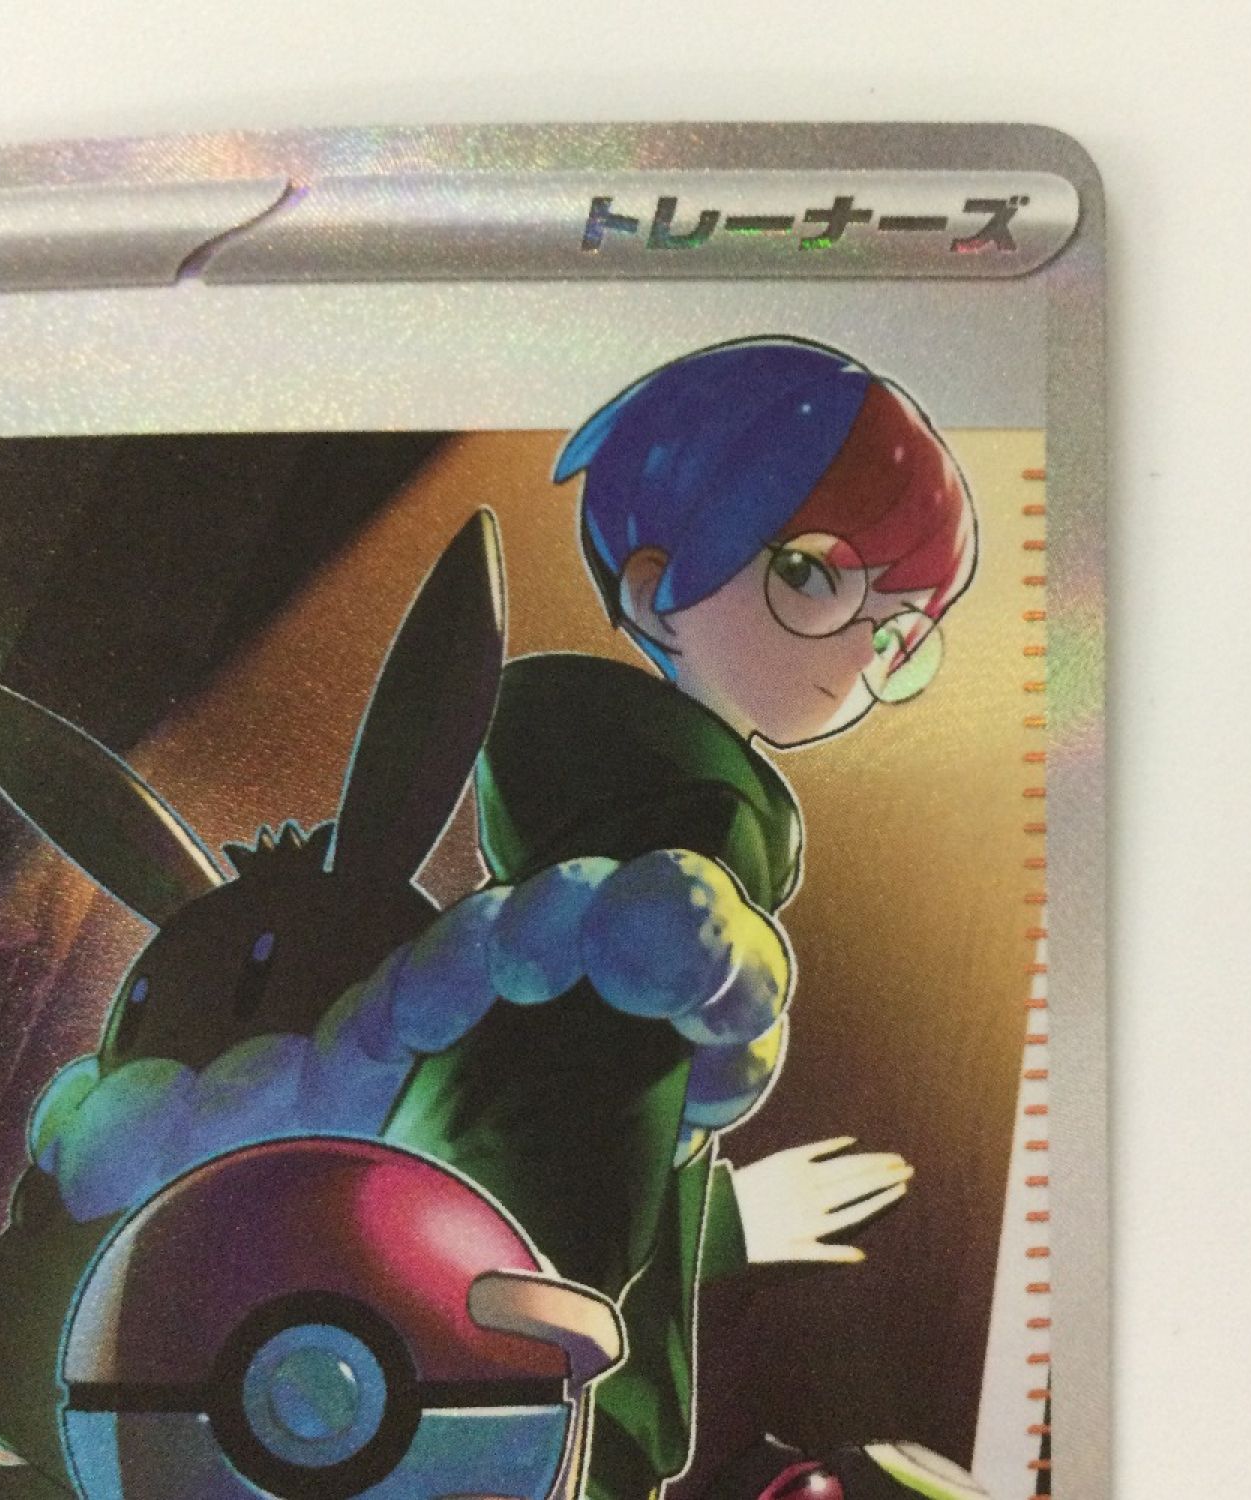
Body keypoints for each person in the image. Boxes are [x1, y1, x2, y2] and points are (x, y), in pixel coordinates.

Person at [384, 335, 979, 1500]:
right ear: (655, 588)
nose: (858, 651)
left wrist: (723, 1220)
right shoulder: (677, 826)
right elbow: (539, 1171)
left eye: (898, 628)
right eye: (817, 578)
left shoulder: (629, 823)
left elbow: (557, 1139)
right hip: (531, 1419)